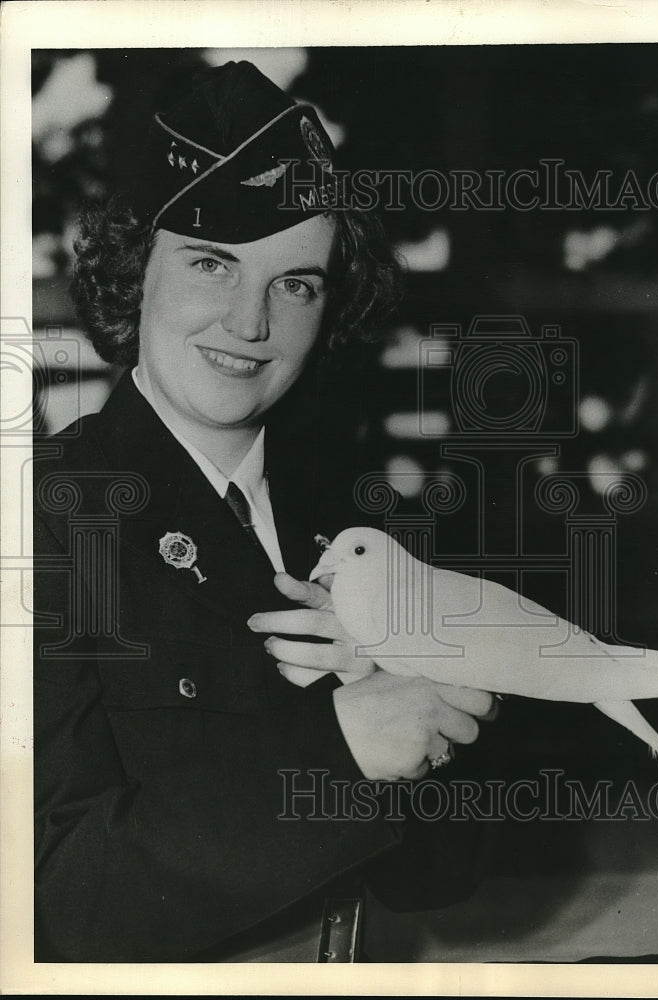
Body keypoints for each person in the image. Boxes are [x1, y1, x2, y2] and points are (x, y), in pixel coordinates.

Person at [33, 60, 497, 963]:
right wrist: (337, 751)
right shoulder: (44, 520)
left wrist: (398, 687)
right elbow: (49, 901)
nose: (252, 323)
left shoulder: (365, 526)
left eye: (296, 284)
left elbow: (440, 877)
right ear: (137, 271)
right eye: (213, 264)